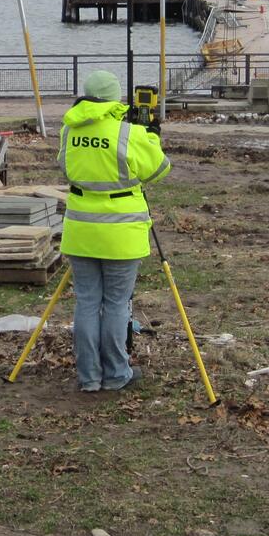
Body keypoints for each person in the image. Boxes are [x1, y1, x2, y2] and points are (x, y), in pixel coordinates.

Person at [58, 69, 171, 392]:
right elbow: (159, 169)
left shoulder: (70, 129)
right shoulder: (128, 133)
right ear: (115, 98)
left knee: (87, 302)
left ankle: (90, 376)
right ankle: (117, 373)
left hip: (80, 229)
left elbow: (65, 166)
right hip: (121, 232)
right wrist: (151, 137)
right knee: (117, 304)